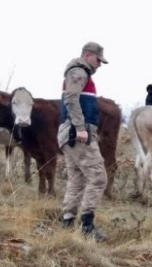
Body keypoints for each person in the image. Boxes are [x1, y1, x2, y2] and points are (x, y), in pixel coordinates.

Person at [58, 41, 109, 241]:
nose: (99, 65)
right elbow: (71, 98)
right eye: (98, 60)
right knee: (98, 177)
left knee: (77, 179)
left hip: (70, 132)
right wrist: (80, 127)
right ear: (88, 55)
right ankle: (86, 227)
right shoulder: (79, 72)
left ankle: (68, 221)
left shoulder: (77, 72)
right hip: (77, 133)